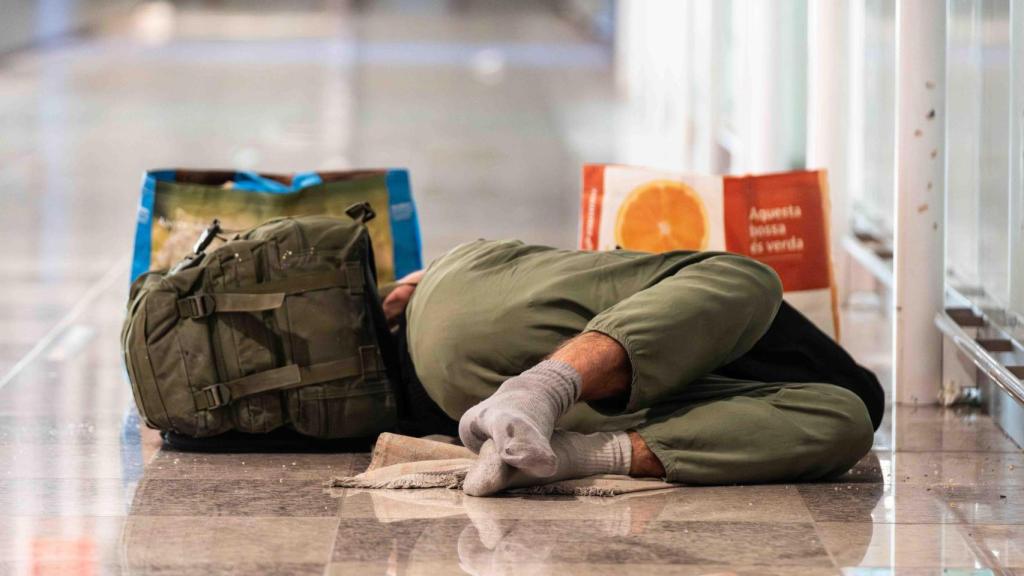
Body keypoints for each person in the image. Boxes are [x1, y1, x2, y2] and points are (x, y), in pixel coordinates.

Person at [381, 239, 883, 496]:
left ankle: (553, 440)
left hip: (444, 388)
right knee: (750, 276)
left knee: (848, 416)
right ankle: (544, 397)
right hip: (450, 313)